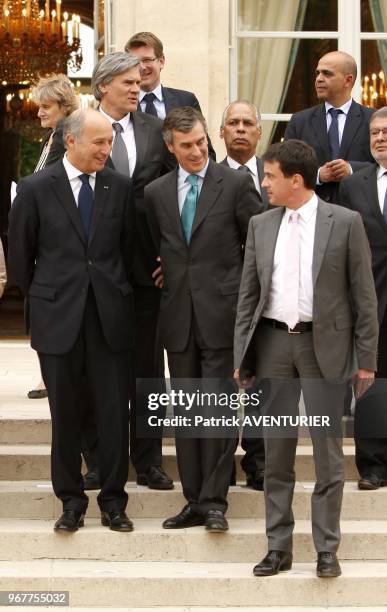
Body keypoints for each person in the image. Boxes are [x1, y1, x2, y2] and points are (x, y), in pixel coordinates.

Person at [234, 140, 378, 577]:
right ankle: (278, 546)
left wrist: (366, 359)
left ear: (296, 180)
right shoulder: (261, 224)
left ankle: (326, 549)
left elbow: (364, 297)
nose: (264, 183)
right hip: (274, 345)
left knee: (328, 456)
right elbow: (248, 296)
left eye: (271, 176)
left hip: (327, 348)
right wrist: (242, 354)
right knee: (276, 454)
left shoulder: (346, 222)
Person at [8, 109, 135, 534]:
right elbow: (22, 260)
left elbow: (130, 252)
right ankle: (71, 501)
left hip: (109, 320)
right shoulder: (35, 188)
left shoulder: (120, 187)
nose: (107, 149)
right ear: (71, 141)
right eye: (99, 142)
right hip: (58, 319)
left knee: (114, 414)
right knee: (65, 415)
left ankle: (114, 502)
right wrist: (50, 297)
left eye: (110, 142)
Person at [145, 107, 263, 532]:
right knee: (189, 413)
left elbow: (258, 247)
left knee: (218, 412)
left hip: (223, 316)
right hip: (178, 318)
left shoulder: (234, 185)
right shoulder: (156, 193)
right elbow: (156, 248)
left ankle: (215, 501)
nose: (196, 151)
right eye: (186, 145)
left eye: (200, 142)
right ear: (170, 146)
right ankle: (193, 499)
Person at [90, 51, 175, 491]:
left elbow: (174, 194)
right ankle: (97, 461)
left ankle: (149, 461)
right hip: (95, 274)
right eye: (127, 81)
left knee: (147, 372)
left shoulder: (154, 131)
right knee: (98, 369)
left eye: (138, 80)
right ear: (103, 85)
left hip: (147, 274)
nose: (136, 86)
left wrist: (171, 257)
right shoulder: (80, 129)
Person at [219, 99, 268, 490]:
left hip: (268, 302)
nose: (239, 128)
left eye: (246, 123)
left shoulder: (279, 176)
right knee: (220, 385)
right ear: (221, 133)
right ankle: (219, 463)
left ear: (258, 132)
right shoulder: (207, 176)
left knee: (261, 383)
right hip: (219, 300)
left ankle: (259, 462)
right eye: (232, 122)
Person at [339, 106, 387, 490]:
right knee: (370, 384)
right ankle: (371, 465)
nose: (380, 138)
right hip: (370, 299)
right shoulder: (354, 185)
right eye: (374, 133)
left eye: (386, 132)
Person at [27, 74, 78, 399]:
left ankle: (50, 378)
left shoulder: (65, 135)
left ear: (63, 107)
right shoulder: (52, 137)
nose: (39, 113)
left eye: (46, 106)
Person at [284, 51, 374, 204]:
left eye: (327, 74)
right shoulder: (300, 121)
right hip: (312, 215)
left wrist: (351, 169)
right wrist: (318, 175)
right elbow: (286, 166)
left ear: (348, 80)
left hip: (361, 214)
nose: (319, 79)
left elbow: (383, 164)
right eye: (317, 73)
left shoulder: (373, 120)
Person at [125, 31, 216, 160]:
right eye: (135, 62)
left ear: (161, 61)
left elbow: (207, 153)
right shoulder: (124, 105)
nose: (142, 67)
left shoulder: (186, 100)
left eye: (147, 60)